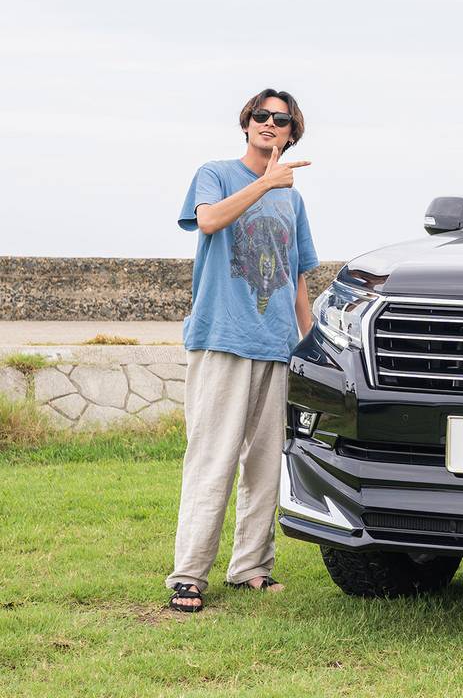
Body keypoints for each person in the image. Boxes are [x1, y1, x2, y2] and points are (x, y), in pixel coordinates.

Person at [166, 88, 317, 612]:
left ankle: (251, 566)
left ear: (292, 133)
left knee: (265, 464)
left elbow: (298, 276)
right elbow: (209, 221)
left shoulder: (293, 200)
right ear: (247, 123)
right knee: (213, 458)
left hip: (276, 344)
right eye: (261, 115)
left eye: (281, 119)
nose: (269, 123)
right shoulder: (215, 174)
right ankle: (189, 575)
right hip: (222, 338)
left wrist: (310, 343)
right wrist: (266, 183)